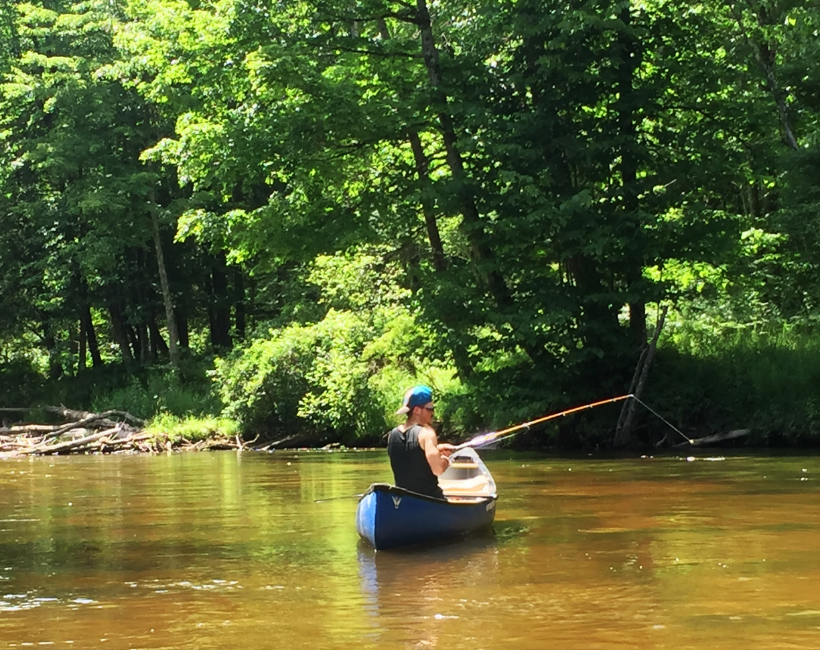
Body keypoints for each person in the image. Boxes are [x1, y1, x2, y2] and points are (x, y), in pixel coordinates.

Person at [387, 385, 455, 499]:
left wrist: (437, 448)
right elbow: (438, 469)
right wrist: (446, 460)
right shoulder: (427, 433)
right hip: (430, 500)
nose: (432, 413)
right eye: (430, 409)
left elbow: (412, 454)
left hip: (404, 501)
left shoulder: (392, 435)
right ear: (417, 410)